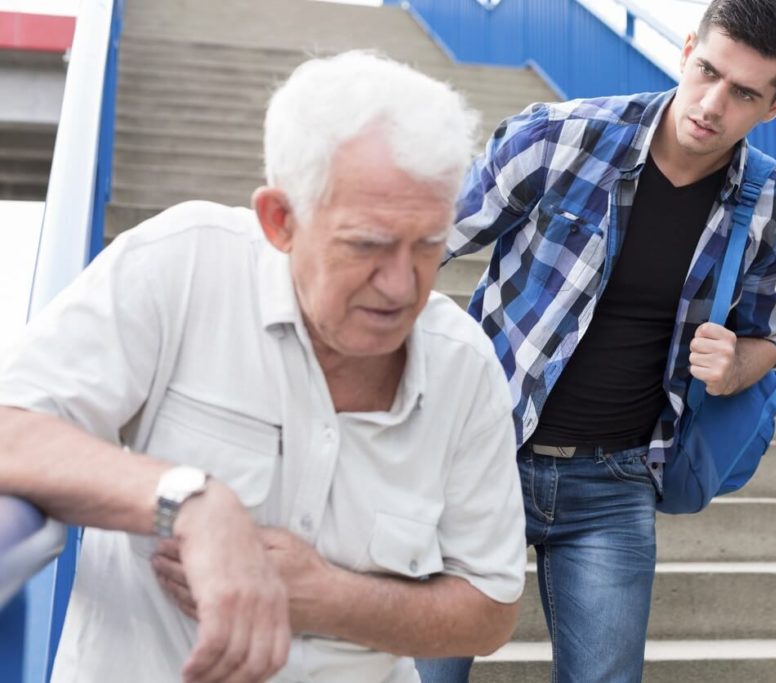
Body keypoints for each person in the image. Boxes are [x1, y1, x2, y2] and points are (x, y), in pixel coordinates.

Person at [0, 51, 526, 683]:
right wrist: (191, 502)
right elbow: (12, 431)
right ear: (280, 221)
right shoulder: (181, 264)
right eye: (368, 244)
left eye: (429, 245)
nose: (400, 285)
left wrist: (327, 596)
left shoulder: (464, 365)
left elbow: (490, 611)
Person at [416, 1, 776, 681]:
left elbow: (766, 336)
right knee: (426, 675)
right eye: (707, 71)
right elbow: (423, 248)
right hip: (482, 456)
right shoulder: (558, 137)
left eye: (745, 93)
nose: (713, 105)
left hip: (615, 482)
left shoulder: (774, 205)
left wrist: (735, 366)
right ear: (687, 48)